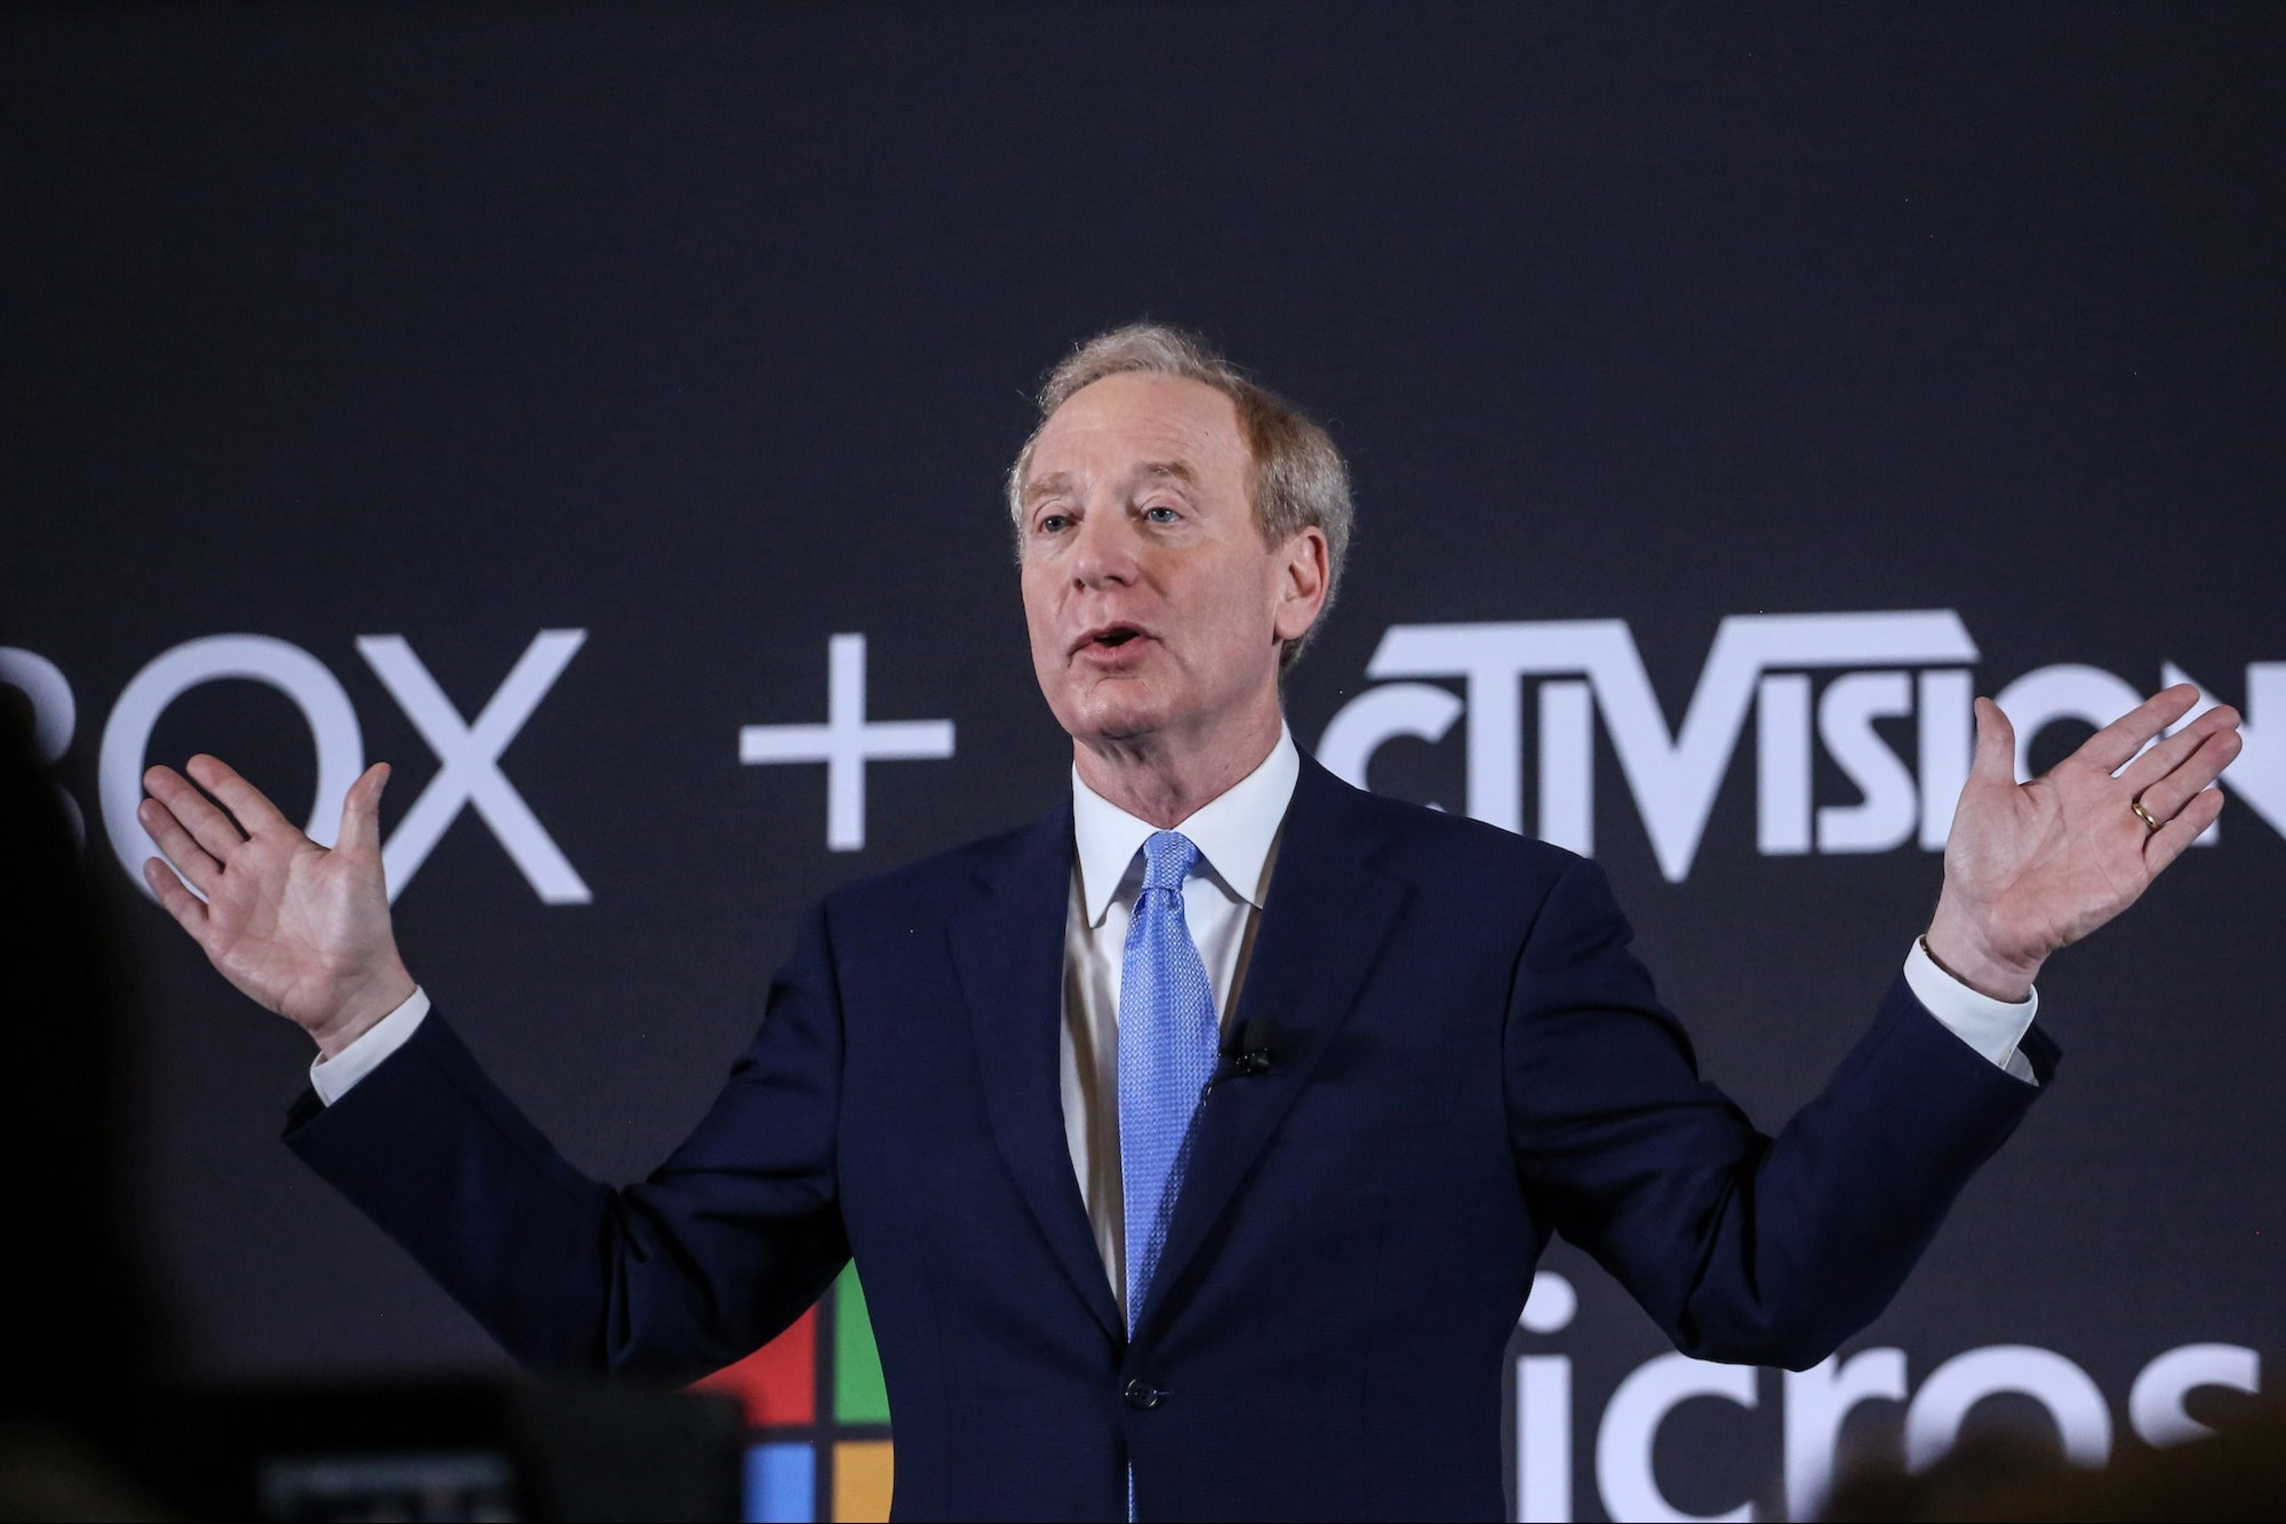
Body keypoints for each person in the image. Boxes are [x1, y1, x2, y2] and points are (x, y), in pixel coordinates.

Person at [137, 325, 2243, 1521]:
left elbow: (1756, 1278)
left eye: (1162, 510)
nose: (1095, 559)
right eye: (1054, 522)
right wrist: (365, 1016)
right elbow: (631, 1306)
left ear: (1298, 578)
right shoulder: (889, 963)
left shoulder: (1492, 931)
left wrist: (1977, 963)